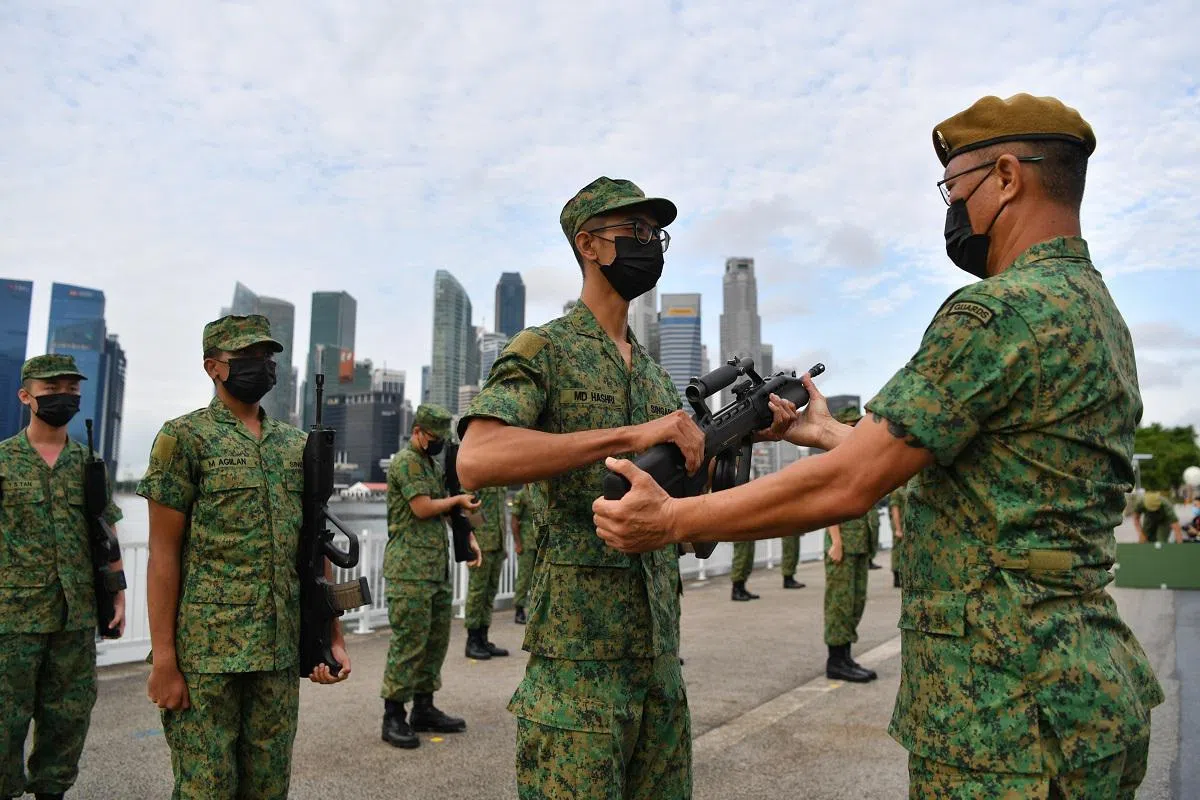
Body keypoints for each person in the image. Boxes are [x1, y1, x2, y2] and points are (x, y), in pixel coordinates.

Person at [594, 95, 1164, 797]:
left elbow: (851, 487)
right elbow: (991, 462)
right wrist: (824, 431)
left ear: (1008, 177)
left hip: (1007, 710)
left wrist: (673, 520)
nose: (951, 211)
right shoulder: (1094, 311)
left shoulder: (997, 312)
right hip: (1081, 685)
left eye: (954, 190)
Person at [456, 176, 709, 799]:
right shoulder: (547, 349)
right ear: (589, 245)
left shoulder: (653, 375)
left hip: (658, 655)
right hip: (577, 661)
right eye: (635, 234)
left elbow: (680, 504)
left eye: (657, 236)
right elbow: (477, 457)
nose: (650, 245)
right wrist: (625, 434)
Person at [140, 314, 351, 798]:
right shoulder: (184, 438)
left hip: (277, 654)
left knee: (269, 788)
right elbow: (162, 556)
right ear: (213, 367)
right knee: (205, 790)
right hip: (206, 657)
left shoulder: (297, 446)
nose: (262, 366)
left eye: (267, 357)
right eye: (247, 358)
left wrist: (330, 637)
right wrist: (165, 660)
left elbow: (314, 547)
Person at [0, 354, 125, 800]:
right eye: (52, 390)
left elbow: (105, 532)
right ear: (26, 396)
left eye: (70, 390)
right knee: (4, 717)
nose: (63, 398)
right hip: (11, 618)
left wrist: (117, 594)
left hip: (75, 616)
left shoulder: (88, 464)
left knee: (69, 715)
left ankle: (51, 791)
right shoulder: (3, 461)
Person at [380, 404, 481, 749]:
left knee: (435, 641)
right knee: (409, 644)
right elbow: (422, 508)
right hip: (409, 571)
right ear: (419, 432)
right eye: (434, 437)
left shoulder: (431, 464)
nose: (438, 444)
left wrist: (469, 537)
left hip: (433, 570)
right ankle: (393, 714)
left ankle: (423, 708)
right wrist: (456, 500)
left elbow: (448, 510)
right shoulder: (406, 462)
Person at [822, 404, 877, 683]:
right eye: (851, 424)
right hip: (843, 543)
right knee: (840, 603)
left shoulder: (858, 460)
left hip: (859, 544)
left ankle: (845, 656)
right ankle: (836, 660)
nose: (855, 429)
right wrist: (836, 541)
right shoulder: (836, 459)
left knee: (856, 601)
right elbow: (829, 504)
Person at [464, 485, 510, 659]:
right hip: (482, 545)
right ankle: (472, 640)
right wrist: (479, 535)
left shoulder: (499, 481)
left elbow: (500, 515)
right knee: (477, 592)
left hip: (497, 543)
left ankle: (483, 638)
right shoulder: (478, 477)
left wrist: (502, 543)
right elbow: (467, 509)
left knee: (489, 593)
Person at [510, 483, 545, 624]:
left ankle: (535, 610)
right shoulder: (521, 495)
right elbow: (514, 521)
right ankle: (519, 610)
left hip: (539, 543)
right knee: (524, 578)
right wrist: (518, 543)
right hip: (526, 543)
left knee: (538, 579)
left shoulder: (539, 493)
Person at [888, 479, 913, 589]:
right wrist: (897, 529)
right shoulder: (897, 491)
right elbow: (895, 510)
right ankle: (896, 576)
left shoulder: (908, 489)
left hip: (908, 526)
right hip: (900, 526)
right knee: (897, 551)